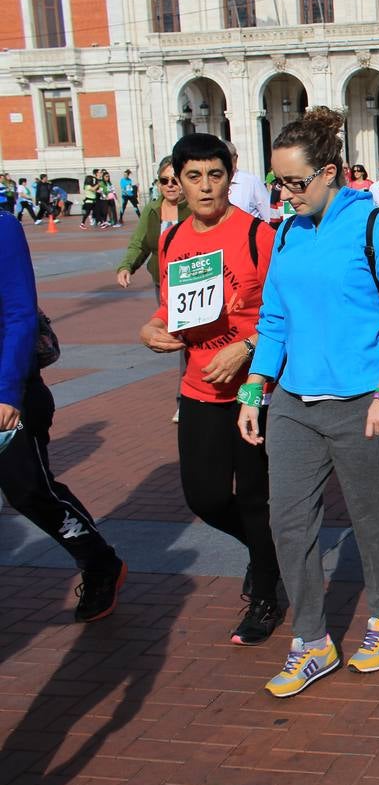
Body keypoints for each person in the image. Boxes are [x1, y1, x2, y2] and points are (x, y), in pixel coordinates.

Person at [238, 107, 379, 698]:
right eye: (278, 182)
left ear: (330, 173)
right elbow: (273, 318)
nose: (286, 194)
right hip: (294, 399)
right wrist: (255, 386)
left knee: (374, 518)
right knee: (288, 522)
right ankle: (312, 641)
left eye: (296, 182)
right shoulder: (288, 232)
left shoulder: (374, 226)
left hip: (367, 398)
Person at [137, 133, 283, 645]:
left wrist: (244, 349)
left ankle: (266, 592)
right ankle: (270, 557)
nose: (205, 187)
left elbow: (287, 315)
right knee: (204, 497)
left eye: (215, 175)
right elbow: (168, 306)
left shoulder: (258, 236)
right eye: (193, 177)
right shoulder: (173, 238)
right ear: (177, 181)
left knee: (256, 499)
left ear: (231, 174)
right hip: (198, 389)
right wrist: (151, 328)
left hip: (254, 392)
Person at [0, 209, 128, 621]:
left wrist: (7, 391)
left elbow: (19, 313)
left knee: (30, 491)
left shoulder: (2, 227)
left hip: (8, 393)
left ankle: (98, 562)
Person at [117, 156, 189, 298]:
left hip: (191, 283)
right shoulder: (152, 209)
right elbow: (139, 243)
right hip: (161, 283)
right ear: (158, 184)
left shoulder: (196, 209)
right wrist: (126, 266)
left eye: (175, 180)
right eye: (164, 180)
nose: (169, 185)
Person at [225, 141, 270, 221]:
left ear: (235, 159)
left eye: (227, 158)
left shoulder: (251, 182)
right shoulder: (212, 184)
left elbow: (269, 215)